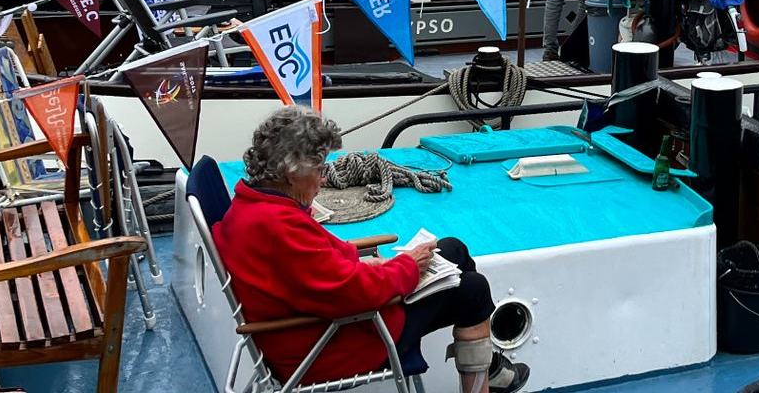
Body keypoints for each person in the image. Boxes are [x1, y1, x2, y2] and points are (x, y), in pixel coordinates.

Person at [214, 107, 529, 392]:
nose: (323, 180)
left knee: (452, 249)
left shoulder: (249, 206)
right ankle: (487, 377)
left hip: (316, 326)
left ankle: (489, 367)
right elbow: (350, 294)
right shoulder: (280, 227)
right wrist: (405, 267)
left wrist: (377, 266)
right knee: (472, 289)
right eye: (320, 169)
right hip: (332, 345)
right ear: (291, 171)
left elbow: (314, 269)